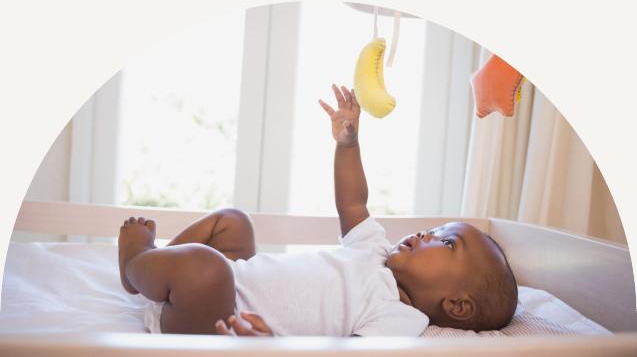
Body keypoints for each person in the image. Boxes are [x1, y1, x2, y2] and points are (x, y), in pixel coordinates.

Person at [117, 84, 518, 336]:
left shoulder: (399, 320)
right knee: (233, 222)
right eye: (435, 229)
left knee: (207, 270)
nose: (425, 235)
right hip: (235, 278)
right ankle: (155, 275)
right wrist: (348, 145)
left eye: (446, 243)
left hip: (212, 319)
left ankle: (138, 263)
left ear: (457, 305)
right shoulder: (374, 252)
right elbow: (354, 202)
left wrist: (267, 345)